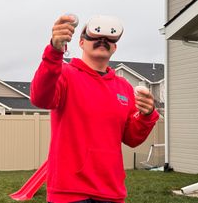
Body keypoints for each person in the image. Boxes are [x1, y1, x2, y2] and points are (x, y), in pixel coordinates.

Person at [30, 15, 159, 203]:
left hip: (111, 192)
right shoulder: (64, 73)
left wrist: (147, 115)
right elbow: (40, 98)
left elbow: (131, 138)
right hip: (69, 192)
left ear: (114, 47)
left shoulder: (123, 87)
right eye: (95, 37)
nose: (102, 41)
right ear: (81, 42)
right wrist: (54, 51)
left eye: (109, 39)